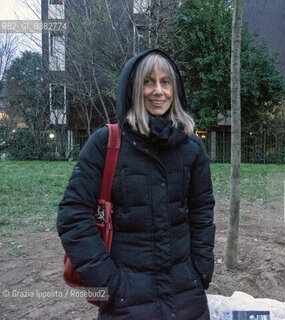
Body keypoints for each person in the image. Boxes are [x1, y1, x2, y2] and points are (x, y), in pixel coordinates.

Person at [57, 49, 215, 319]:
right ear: (133, 88)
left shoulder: (192, 147)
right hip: (124, 300)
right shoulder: (104, 143)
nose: (158, 91)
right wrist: (107, 283)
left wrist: (200, 270)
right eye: (148, 82)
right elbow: (73, 215)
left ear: (174, 89)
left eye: (165, 82)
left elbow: (202, 212)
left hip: (186, 297)